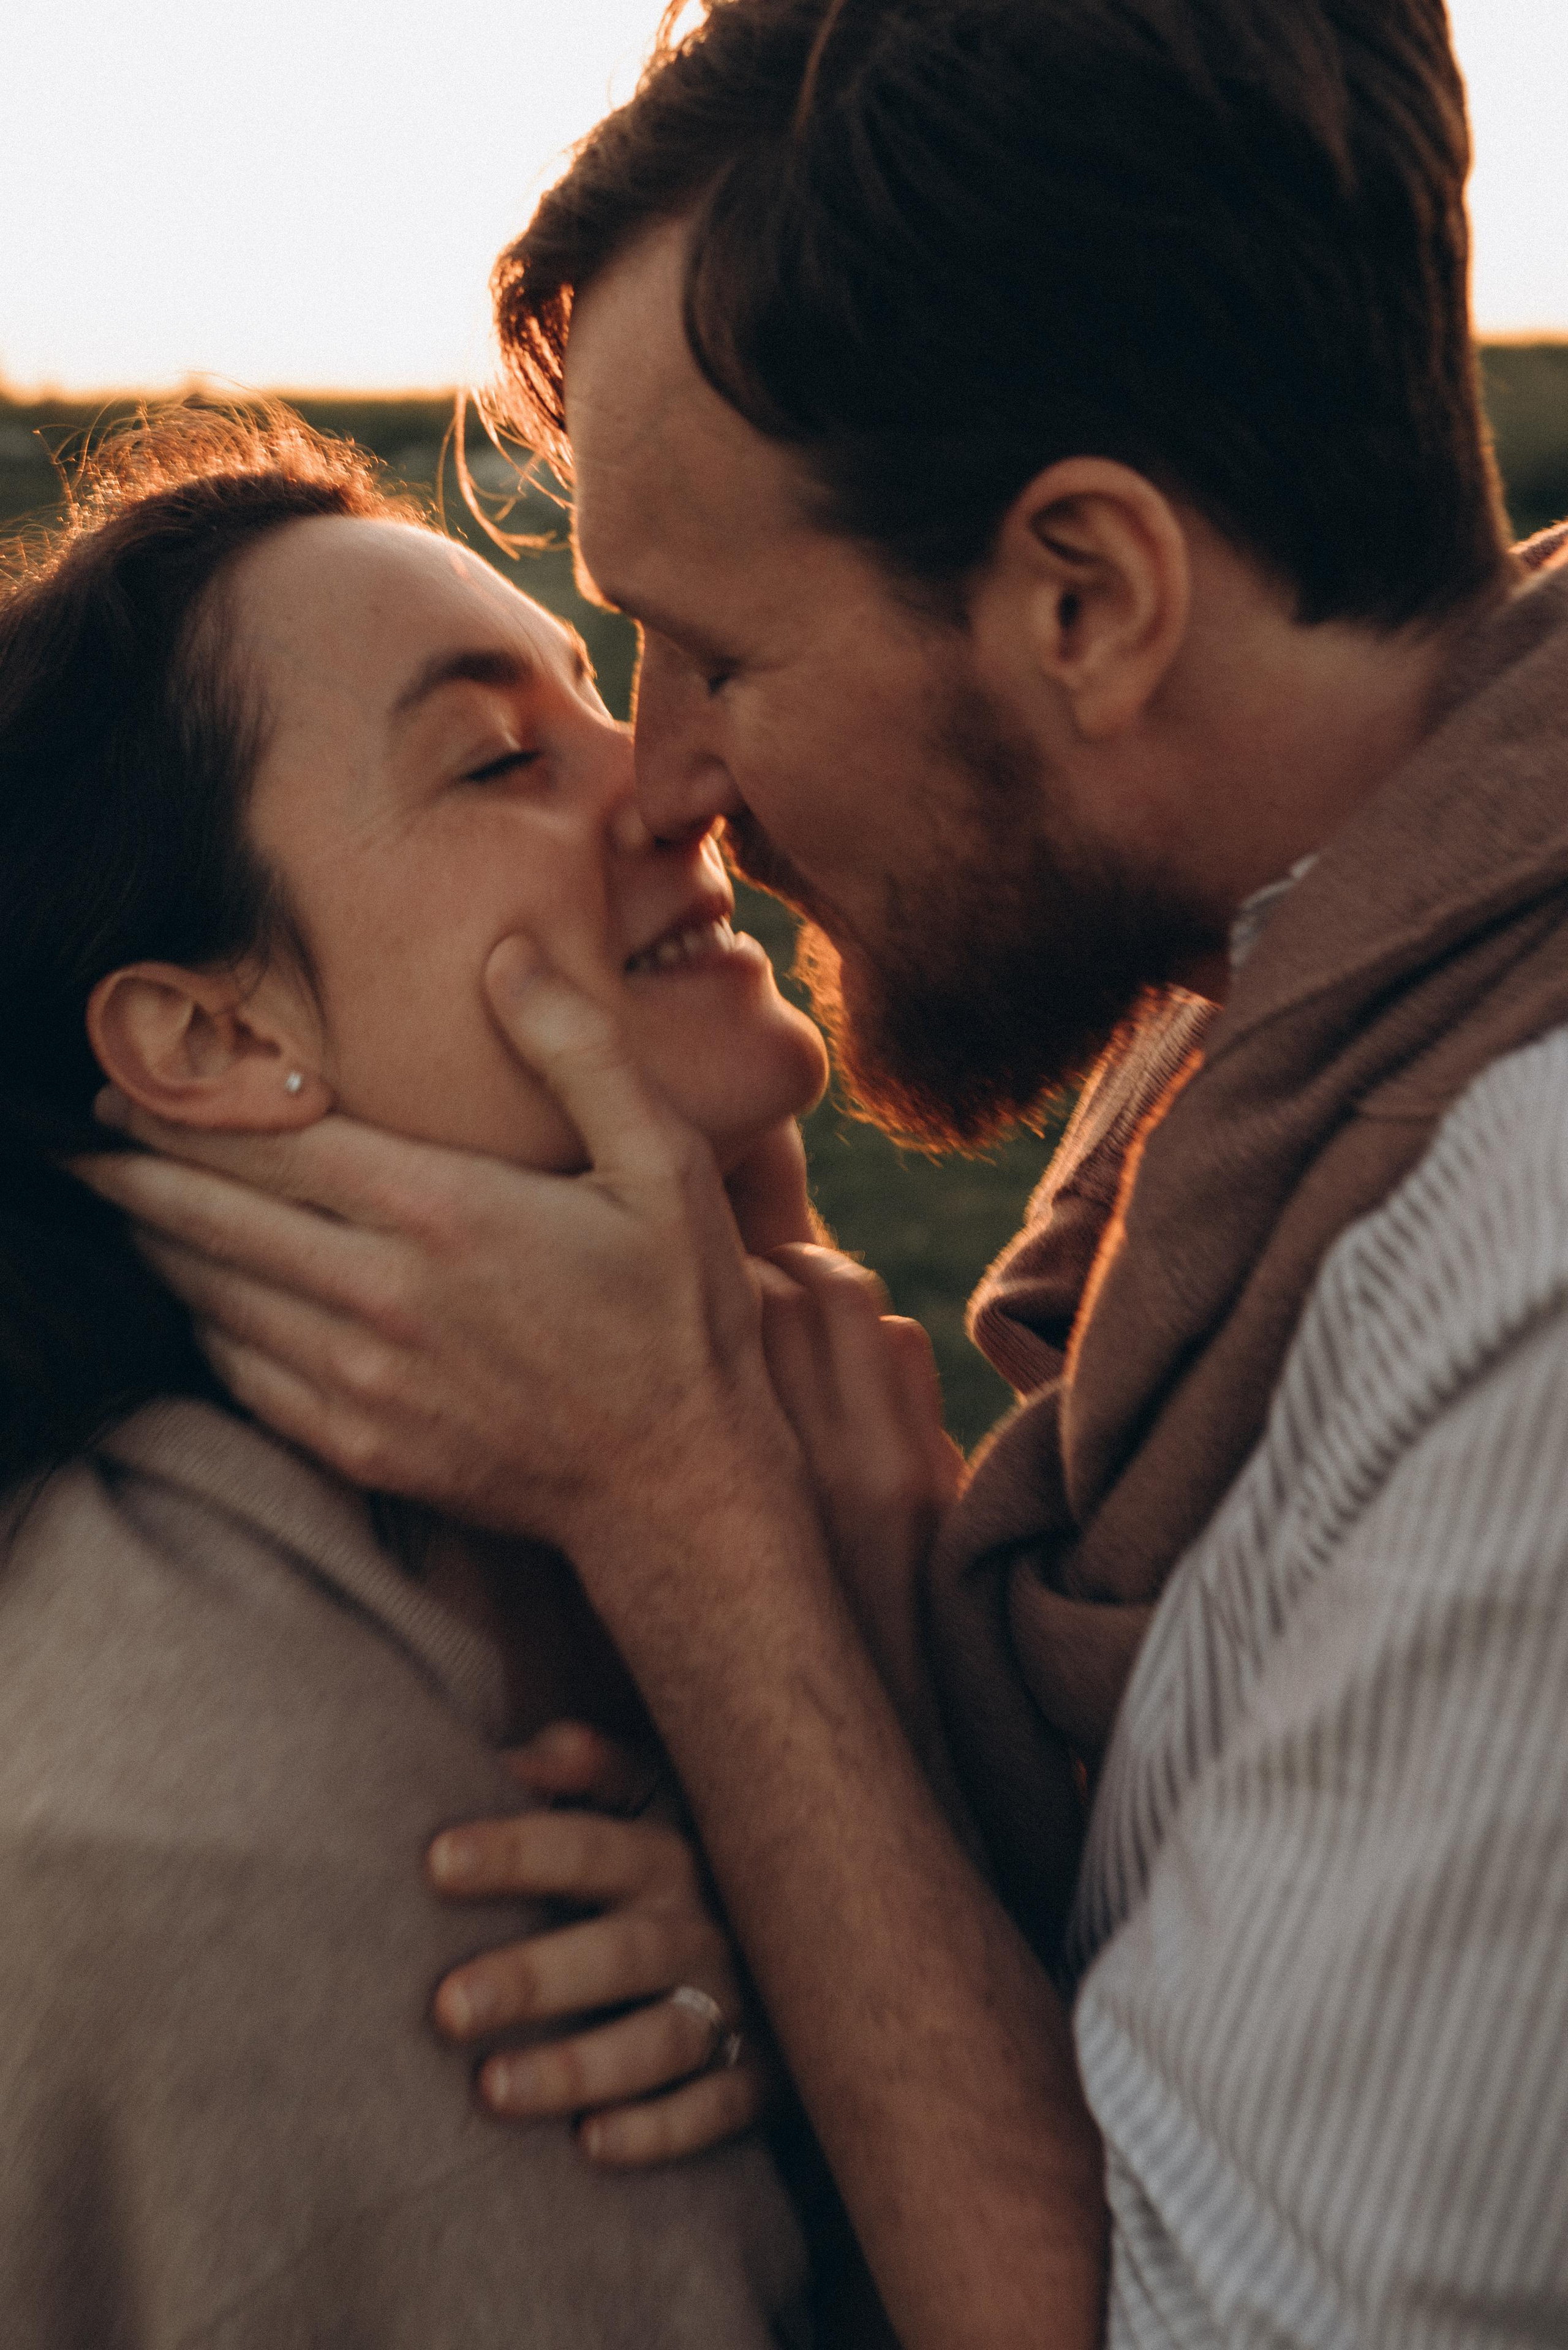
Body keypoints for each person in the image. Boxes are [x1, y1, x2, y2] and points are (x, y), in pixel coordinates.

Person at [81, 0, 1568, 2343]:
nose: (663, 782)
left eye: (710, 658)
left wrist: (694, 1513)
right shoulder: (1266, 1051)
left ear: (1088, 595)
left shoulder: (1522, 1244)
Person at [0, 408, 832, 2346]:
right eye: (498, 758)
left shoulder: (489, 1557)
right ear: (210, 1035)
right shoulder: (245, 1846)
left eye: (586, 694)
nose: (665, 783)